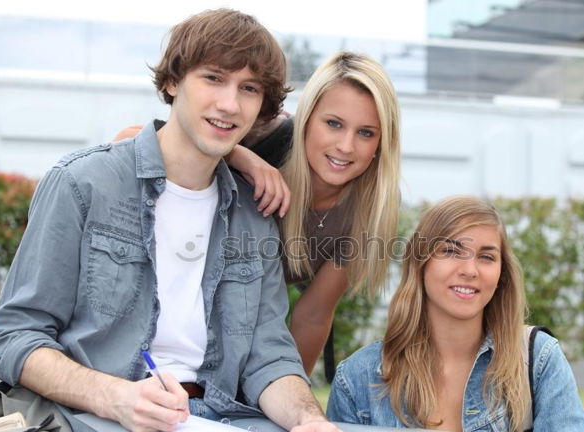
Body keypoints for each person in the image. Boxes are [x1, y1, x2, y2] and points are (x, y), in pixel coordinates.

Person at [0, 9, 441, 432]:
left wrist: (310, 420)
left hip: (225, 416)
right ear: (172, 82)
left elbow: (270, 354)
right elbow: (16, 336)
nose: (230, 104)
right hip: (105, 422)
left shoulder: (256, 209)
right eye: (213, 79)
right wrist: (115, 397)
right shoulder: (82, 184)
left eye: (248, 89)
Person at [114, 52, 401, 376]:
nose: (346, 146)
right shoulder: (267, 134)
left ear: (382, 141)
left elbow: (313, 315)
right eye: (333, 124)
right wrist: (239, 156)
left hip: (241, 332)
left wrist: (291, 400)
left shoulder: (368, 209)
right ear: (307, 119)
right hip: (166, 309)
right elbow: (128, 140)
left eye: (366, 132)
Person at [326, 196, 584, 432]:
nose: (469, 270)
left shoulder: (539, 359)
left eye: (486, 257)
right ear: (421, 263)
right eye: (451, 251)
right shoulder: (357, 380)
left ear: (502, 275)